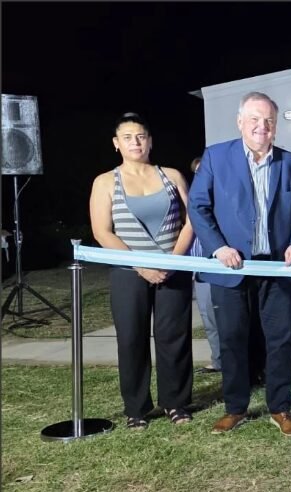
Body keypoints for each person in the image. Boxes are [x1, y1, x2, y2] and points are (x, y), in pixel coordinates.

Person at [188, 91, 291, 437]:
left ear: (276, 126)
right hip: (231, 268)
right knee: (232, 338)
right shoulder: (216, 158)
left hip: (276, 269)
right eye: (255, 119)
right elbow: (198, 206)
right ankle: (235, 408)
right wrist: (218, 248)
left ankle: (280, 407)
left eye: (269, 121)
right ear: (240, 122)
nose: (262, 126)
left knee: (279, 341)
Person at [89, 112, 194, 429]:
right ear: (116, 143)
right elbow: (102, 231)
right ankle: (136, 408)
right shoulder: (106, 181)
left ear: (150, 140)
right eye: (127, 137)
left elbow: (192, 221)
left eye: (141, 136)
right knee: (131, 338)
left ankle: (175, 403)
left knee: (173, 337)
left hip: (173, 268)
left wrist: (171, 261)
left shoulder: (172, 176)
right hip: (128, 271)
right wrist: (142, 265)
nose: (135, 142)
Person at [188, 156, 222, 375]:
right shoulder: (191, 199)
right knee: (209, 318)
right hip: (200, 270)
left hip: (224, 268)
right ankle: (218, 360)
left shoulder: (225, 199)